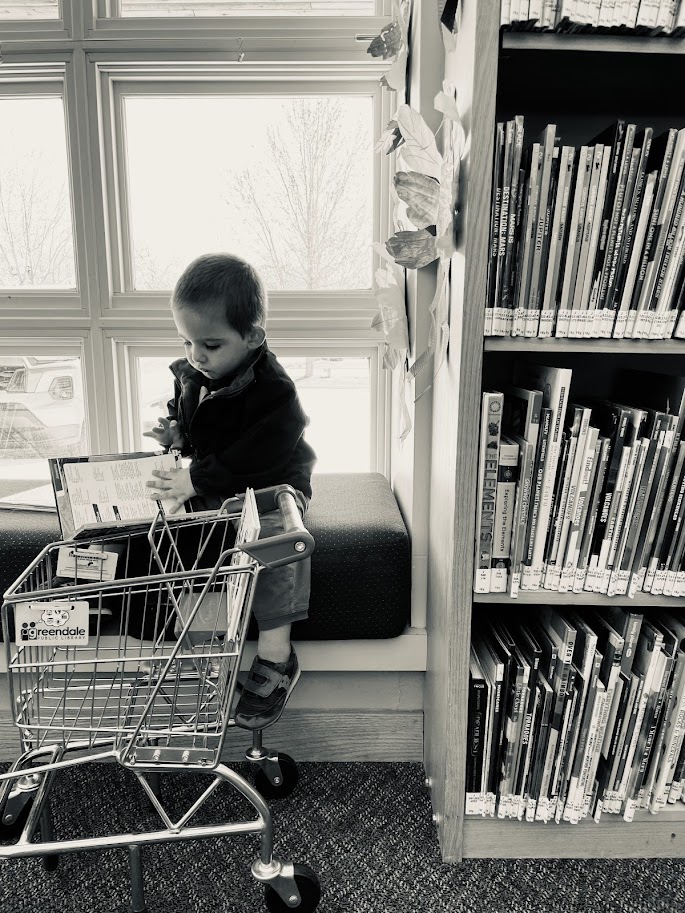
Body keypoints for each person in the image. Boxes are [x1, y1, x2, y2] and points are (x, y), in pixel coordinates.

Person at [144, 252, 316, 731]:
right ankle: (204, 644)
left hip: (274, 482)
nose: (197, 355)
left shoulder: (275, 391)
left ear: (253, 337)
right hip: (220, 480)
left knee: (278, 542)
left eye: (211, 345)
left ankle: (278, 655)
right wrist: (177, 434)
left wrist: (196, 479)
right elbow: (200, 424)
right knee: (180, 530)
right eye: (187, 341)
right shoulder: (198, 372)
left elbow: (256, 455)